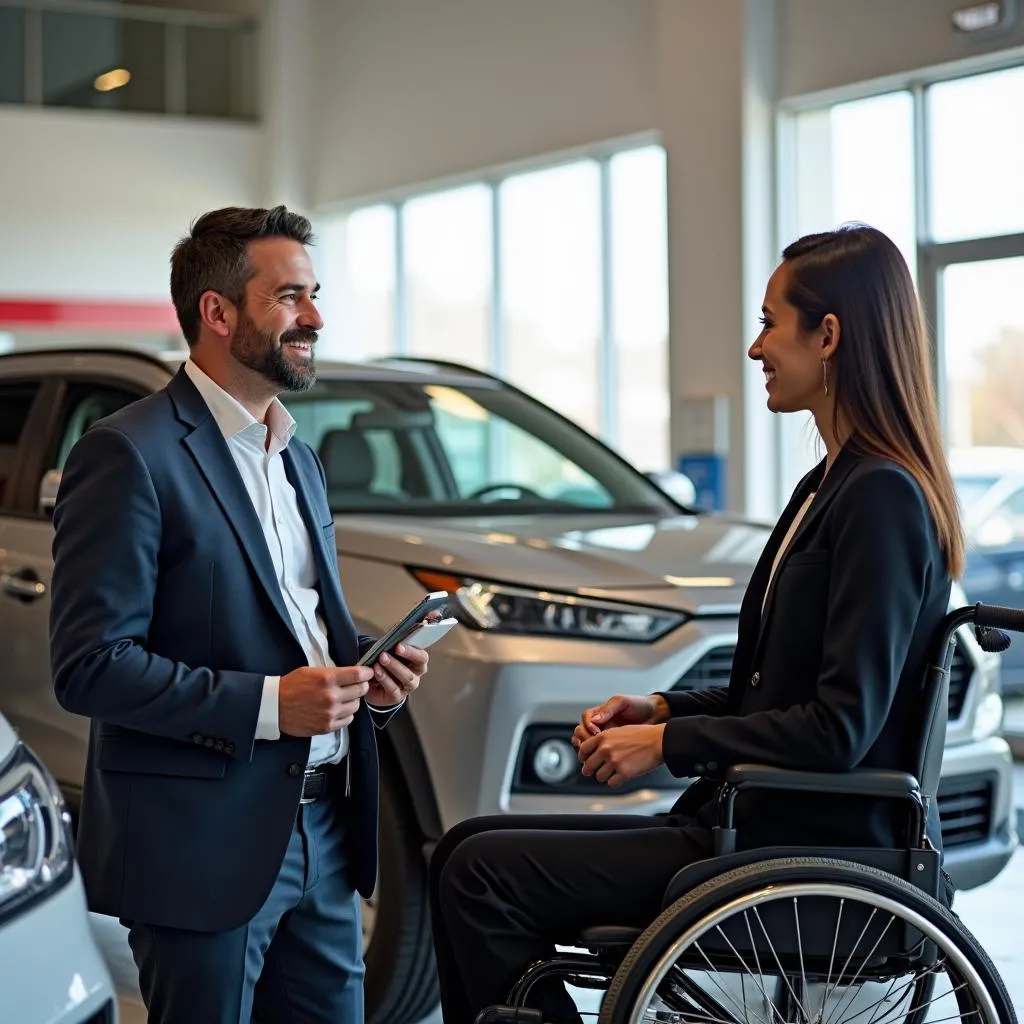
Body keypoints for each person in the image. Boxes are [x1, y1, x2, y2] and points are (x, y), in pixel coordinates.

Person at [428, 224, 964, 1024]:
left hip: (798, 839)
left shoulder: (880, 497)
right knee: (468, 847)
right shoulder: (830, 483)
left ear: (828, 336)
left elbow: (838, 728)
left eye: (768, 323)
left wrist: (670, 747)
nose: (755, 349)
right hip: (751, 819)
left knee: (478, 872)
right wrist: (664, 710)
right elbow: (775, 691)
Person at [49, 205, 431, 1024]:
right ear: (217, 313)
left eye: (315, 294)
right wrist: (270, 706)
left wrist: (371, 674)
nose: (316, 318)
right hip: (200, 842)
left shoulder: (296, 455)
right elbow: (89, 665)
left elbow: (292, 624)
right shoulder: (128, 453)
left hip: (324, 835)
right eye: (290, 297)